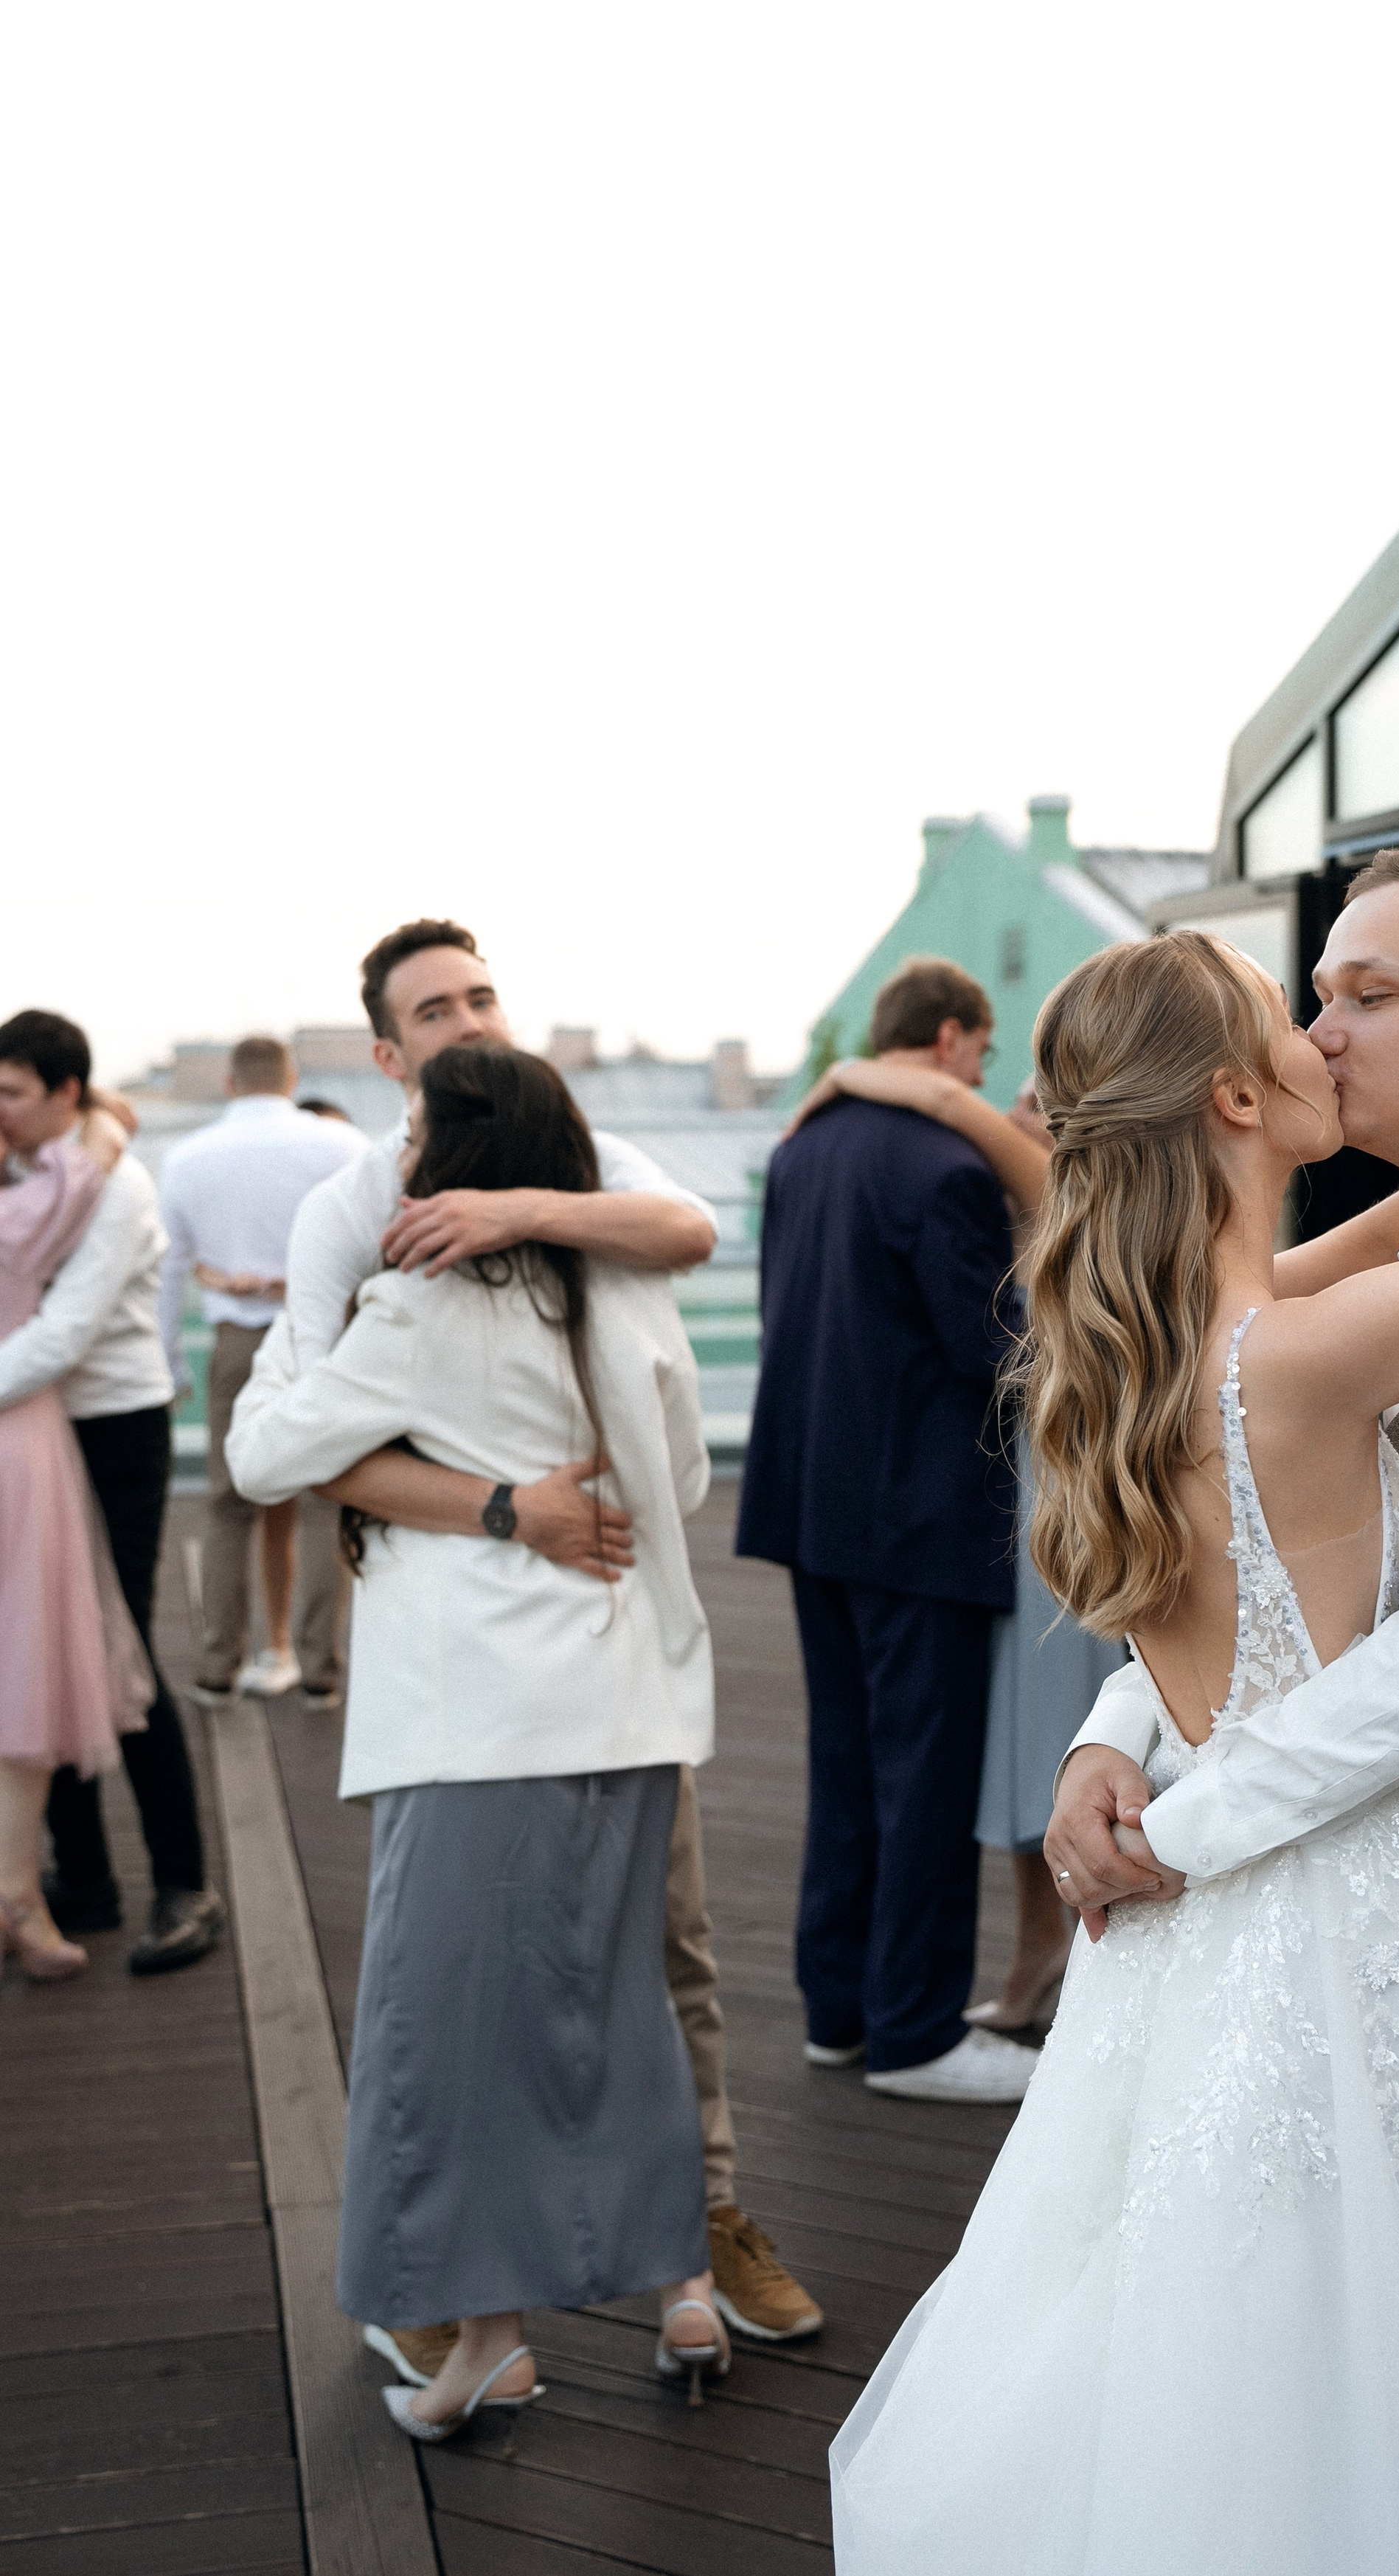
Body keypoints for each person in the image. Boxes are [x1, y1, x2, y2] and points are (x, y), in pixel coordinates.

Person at [833, 918, 1399, 2571]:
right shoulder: (1311, 1353)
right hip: (1345, 1902)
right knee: (1372, 2355)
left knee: (1203, 2351)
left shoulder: (1170, 1335)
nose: (1323, 1036)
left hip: (1184, 1932)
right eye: (1291, 1014)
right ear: (1237, 1099)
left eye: (1350, 998)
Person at [240, 918, 822, 2368]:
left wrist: (514, 1212)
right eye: (437, 1008)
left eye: (482, 994)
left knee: (620, 1964)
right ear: (390, 1056)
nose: (470, 1018)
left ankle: (667, 2240)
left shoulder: (577, 1186)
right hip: (536, 1649)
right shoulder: (348, 1215)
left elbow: (689, 1229)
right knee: (525, 1983)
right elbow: (327, 1449)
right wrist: (514, 1506)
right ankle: (612, 2273)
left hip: (568, 1669)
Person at [739, 957, 1035, 2105]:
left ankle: (840, 2010)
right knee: (925, 1773)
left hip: (813, 1497)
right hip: (919, 1511)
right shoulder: (950, 1166)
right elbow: (993, 1353)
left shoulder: (800, 1148)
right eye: (985, 1048)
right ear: (952, 1038)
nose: (984, 1069)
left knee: (847, 1761)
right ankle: (914, 2029)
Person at [782, 1060, 1124, 2033]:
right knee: (1021, 1730)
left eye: (1035, 1102)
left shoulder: (1077, 1202)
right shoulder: (1029, 1205)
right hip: (1014, 1491)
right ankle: (1040, 1949)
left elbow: (942, 1099)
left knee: (1056, 1722)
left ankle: (1064, 1955)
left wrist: (847, 1076)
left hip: (1062, 1491)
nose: (1010, 1113)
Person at [0, 1010, 224, 1975]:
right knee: (45, 1650)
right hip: (35, 1429)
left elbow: (66, 1331)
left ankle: (186, 1884)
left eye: (12, 1092)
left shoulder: (118, 1184)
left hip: (113, 1430)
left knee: (119, 1654)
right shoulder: (34, 1174)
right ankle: (83, 1877)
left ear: (66, 1092)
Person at [157, 1035, 368, 1706]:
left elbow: (168, 1272)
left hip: (238, 1340)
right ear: (292, 1078)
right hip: (324, 1335)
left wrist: (170, 1362)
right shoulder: (344, 1146)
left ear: (228, 1082)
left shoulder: (186, 1156)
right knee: (325, 1502)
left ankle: (218, 1664)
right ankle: (319, 1668)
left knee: (228, 1506)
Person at [0, 1107, 156, 1978]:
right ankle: (18, 1893)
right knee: (25, 1672)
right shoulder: (27, 1215)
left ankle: (23, 1889)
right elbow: (93, 1158)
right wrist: (93, 1124)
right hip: (17, 1442)